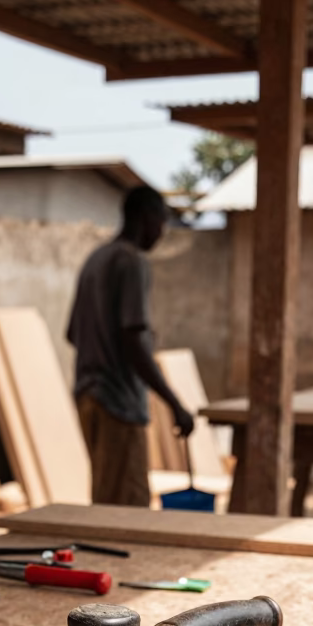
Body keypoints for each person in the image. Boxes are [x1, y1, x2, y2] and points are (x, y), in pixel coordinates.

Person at [67, 185, 194, 506]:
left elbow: (72, 333)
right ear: (145, 217)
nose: (162, 232)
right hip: (118, 403)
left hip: (87, 396)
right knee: (126, 507)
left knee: (104, 497)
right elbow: (133, 341)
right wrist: (174, 403)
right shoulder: (131, 262)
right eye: (162, 222)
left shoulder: (95, 259)